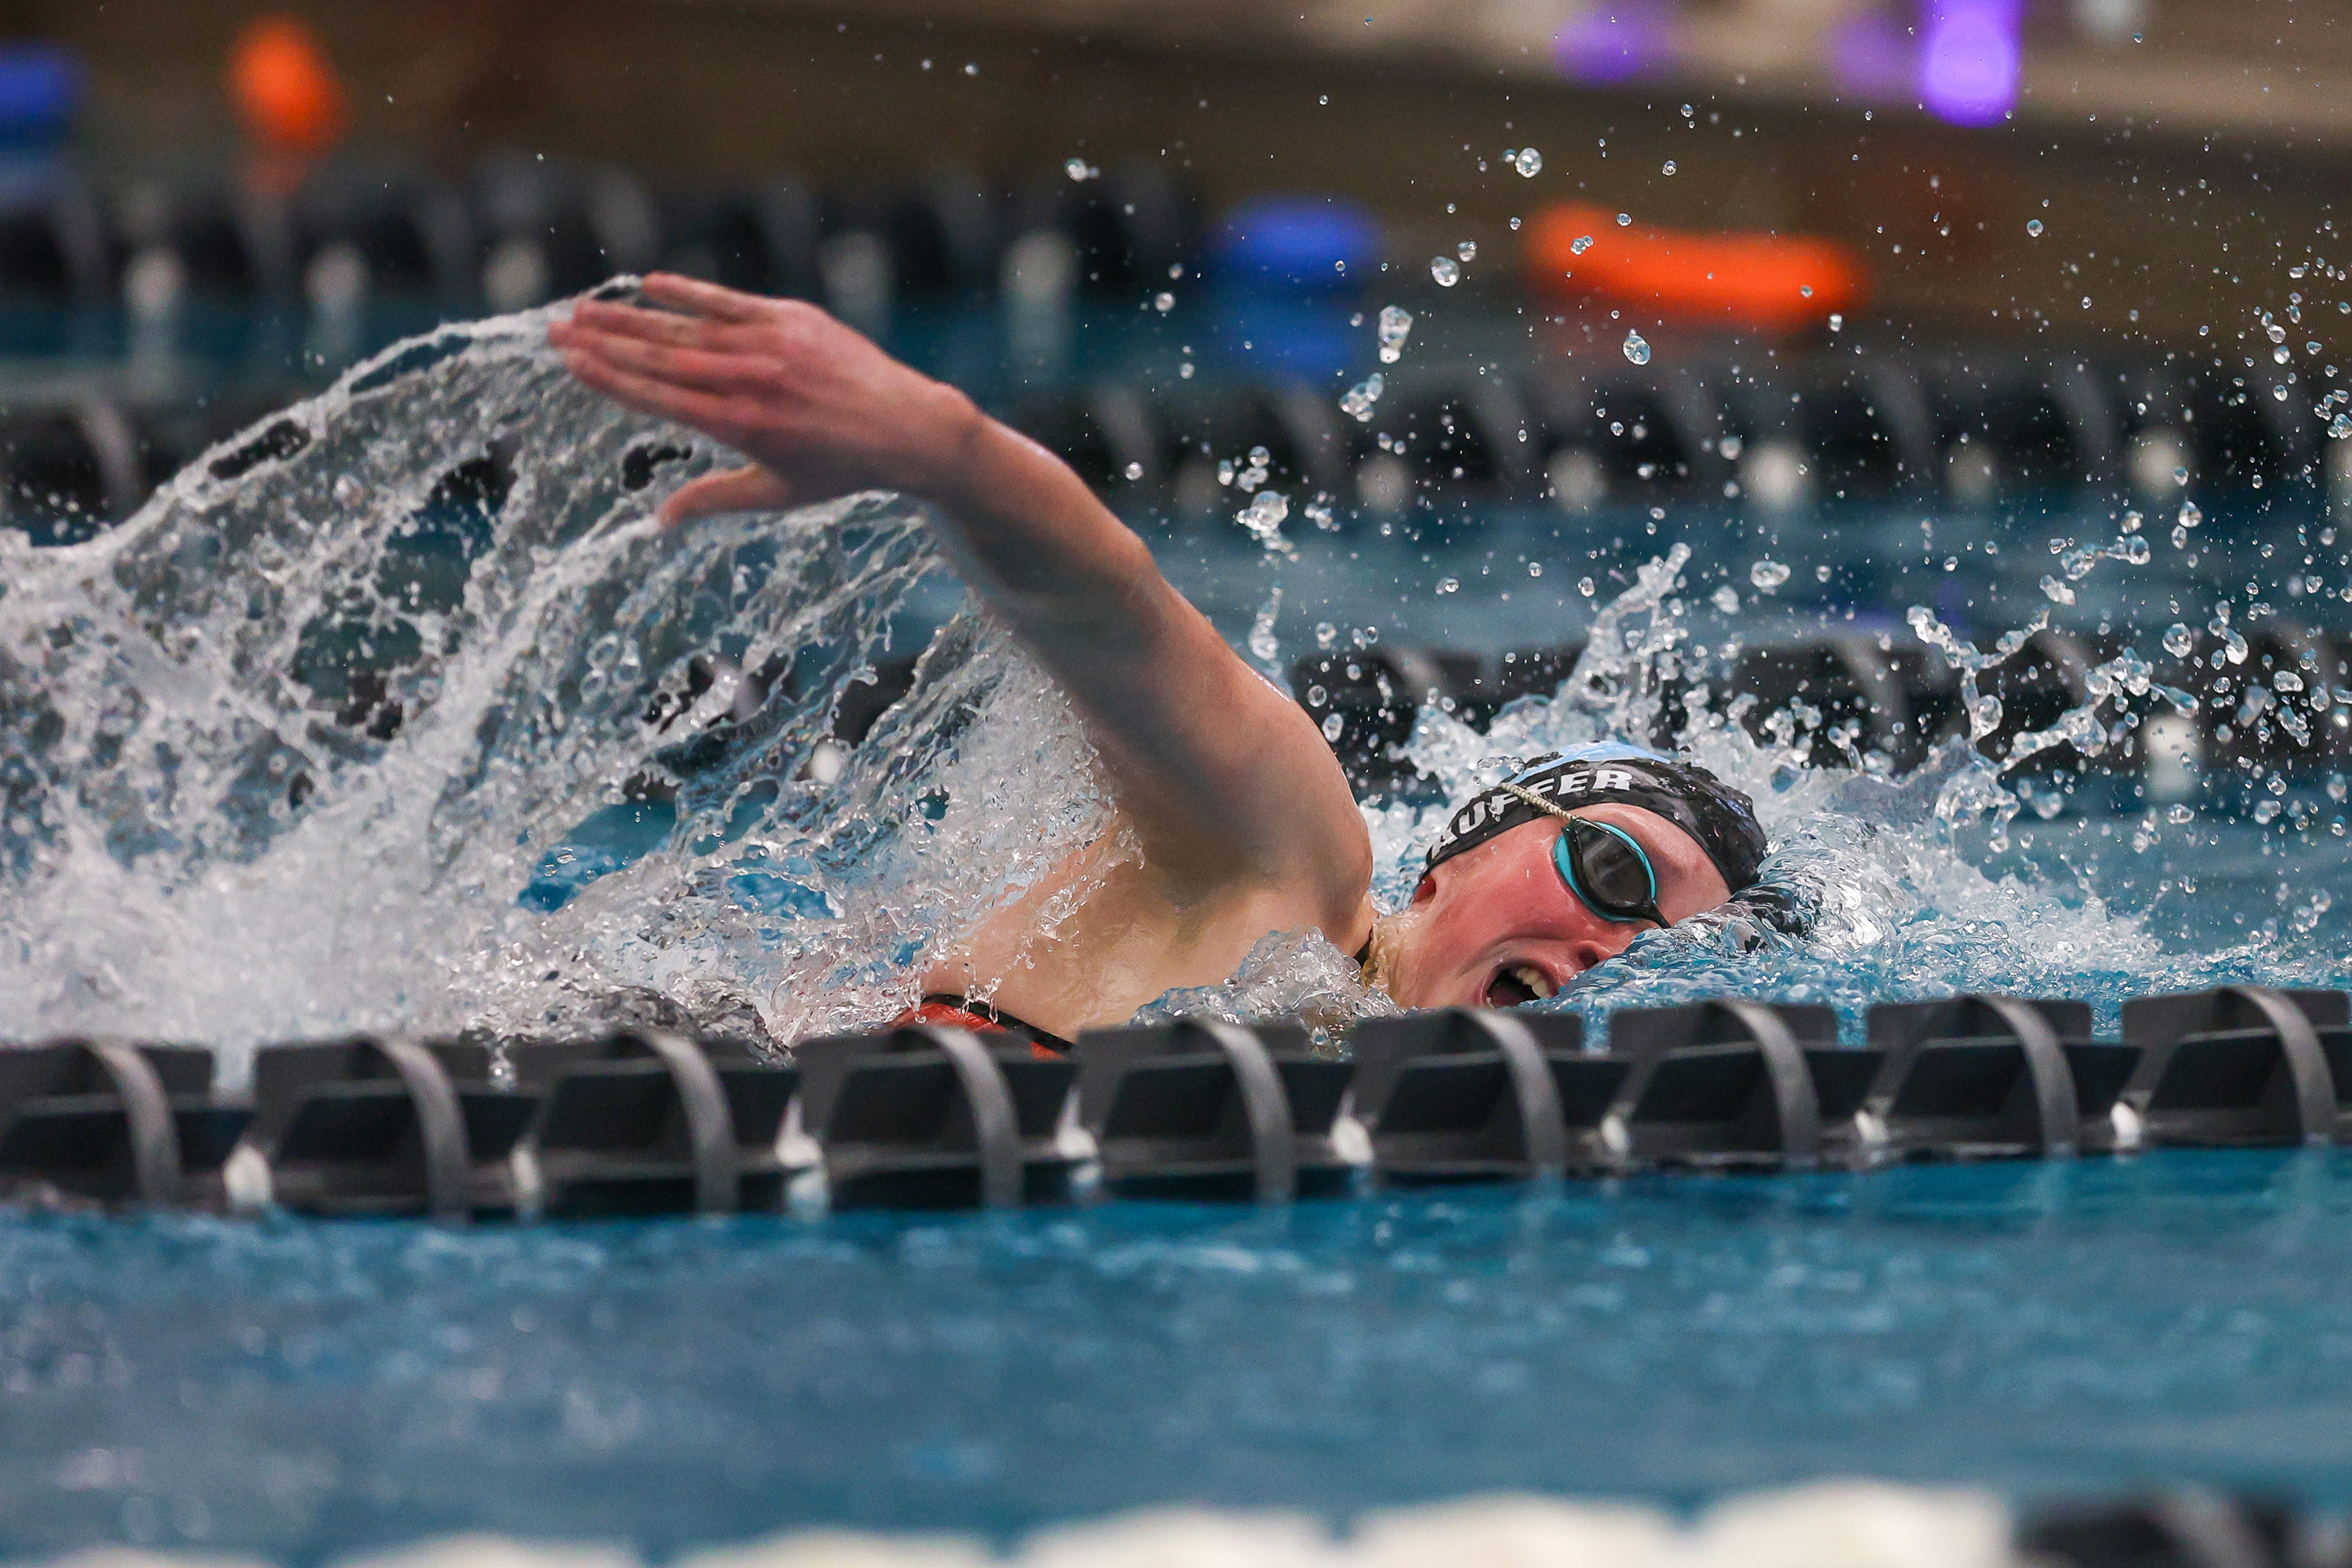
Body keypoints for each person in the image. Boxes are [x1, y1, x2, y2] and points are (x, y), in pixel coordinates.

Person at [549, 275, 1770, 1047]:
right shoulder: (1292, 874)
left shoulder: (1350, 1053)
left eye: (1660, 948)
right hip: (594, 1055)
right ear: (1463, 851)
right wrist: (938, 444)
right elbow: (1116, 616)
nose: (1617, 947)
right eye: (1613, 871)